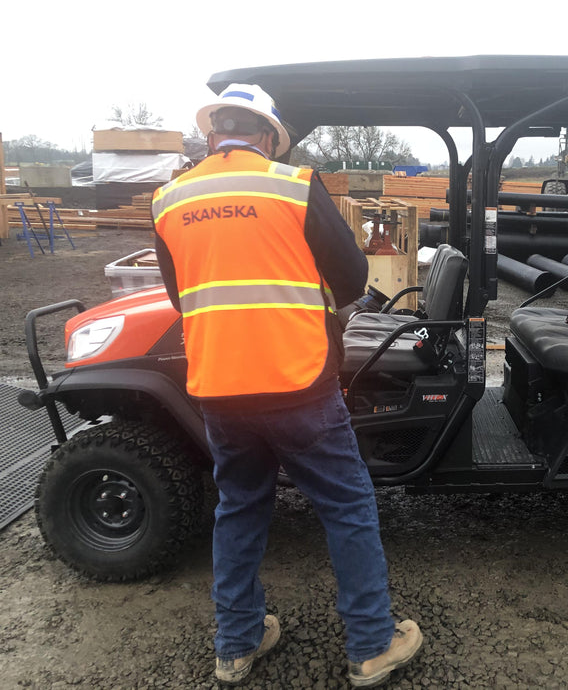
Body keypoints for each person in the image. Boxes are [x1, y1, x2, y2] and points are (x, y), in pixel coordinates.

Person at [151, 83, 422, 687]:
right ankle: (372, 645)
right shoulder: (293, 185)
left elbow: (179, 295)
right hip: (298, 384)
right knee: (347, 507)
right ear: (270, 137)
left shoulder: (168, 200)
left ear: (212, 134)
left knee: (239, 508)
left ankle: (236, 645)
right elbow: (351, 277)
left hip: (219, 387)